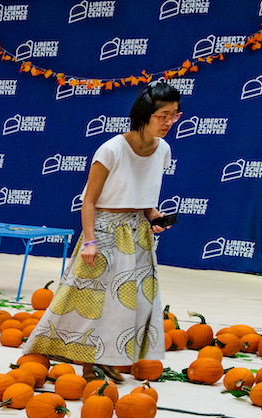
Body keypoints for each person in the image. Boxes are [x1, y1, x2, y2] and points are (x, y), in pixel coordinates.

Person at [22, 81, 181, 382]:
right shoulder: (112, 149)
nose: (169, 122)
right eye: (164, 115)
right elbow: (89, 200)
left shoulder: (163, 150)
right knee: (89, 303)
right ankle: (77, 361)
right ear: (145, 114)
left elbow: (143, 197)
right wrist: (91, 242)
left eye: (175, 115)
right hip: (105, 231)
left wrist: (155, 215)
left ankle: (107, 359)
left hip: (137, 234)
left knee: (129, 304)